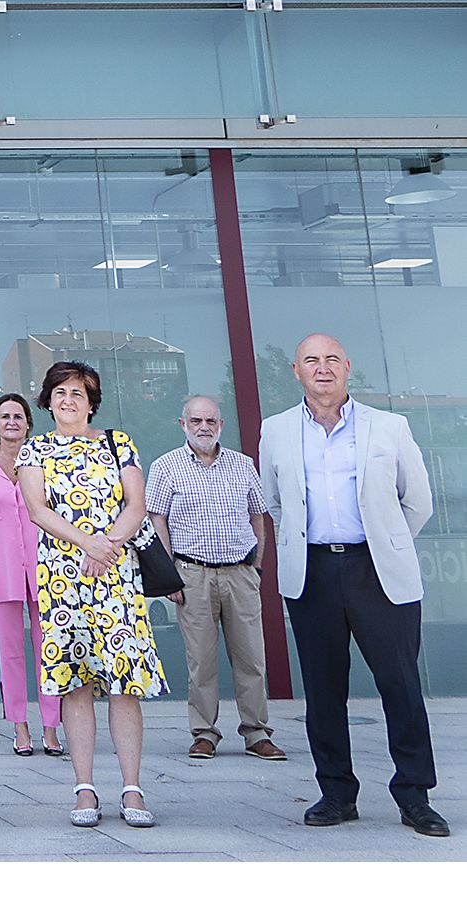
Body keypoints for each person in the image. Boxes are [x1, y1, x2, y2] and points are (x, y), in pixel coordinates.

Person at [260, 333, 446, 837]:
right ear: (296, 371)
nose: (323, 368)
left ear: (348, 368)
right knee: (323, 692)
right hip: (313, 574)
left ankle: (414, 795)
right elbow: (274, 502)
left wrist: (385, 544)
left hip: (377, 570)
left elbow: (418, 501)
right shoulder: (275, 430)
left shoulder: (389, 427)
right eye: (312, 361)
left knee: (401, 687)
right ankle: (337, 794)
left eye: (333, 359)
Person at [16, 361, 166, 830]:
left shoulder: (119, 443)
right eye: (59, 392)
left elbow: (136, 505)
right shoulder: (34, 450)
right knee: (76, 683)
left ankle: (132, 788)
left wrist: (108, 547)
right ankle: (84, 786)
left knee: (123, 684)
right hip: (63, 576)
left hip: (117, 577)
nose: (68, 400)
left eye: (77, 392)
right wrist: (89, 543)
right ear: (47, 400)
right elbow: (38, 510)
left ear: (91, 400)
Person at [145, 394, 284, 764]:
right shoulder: (166, 467)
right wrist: (169, 574)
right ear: (182, 425)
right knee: (201, 662)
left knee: (252, 658)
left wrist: (256, 565)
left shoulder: (242, 465)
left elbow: (259, 516)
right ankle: (204, 733)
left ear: (221, 425)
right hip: (192, 575)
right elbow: (156, 520)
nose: (203, 428)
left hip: (240, 574)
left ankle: (257, 733)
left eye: (210, 421)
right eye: (195, 421)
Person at [0, 393, 62, 757]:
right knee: (10, 653)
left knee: (48, 650)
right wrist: (1, 539)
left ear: (28, 424)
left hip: (45, 567)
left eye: (18, 417)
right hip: (2, 568)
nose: (12, 423)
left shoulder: (45, 461)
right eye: (5, 417)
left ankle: (51, 727)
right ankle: (20, 727)